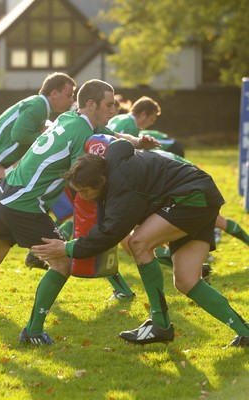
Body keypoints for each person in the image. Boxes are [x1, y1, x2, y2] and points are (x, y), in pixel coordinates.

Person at [0, 79, 159, 343]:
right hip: (23, 204)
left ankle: (33, 329)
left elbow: (113, 135)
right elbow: (81, 180)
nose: (113, 109)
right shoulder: (80, 133)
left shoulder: (71, 118)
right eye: (109, 104)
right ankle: (33, 332)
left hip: (3, 193)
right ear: (92, 104)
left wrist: (138, 142)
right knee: (62, 262)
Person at [32, 139, 249, 348]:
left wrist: (67, 247)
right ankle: (245, 333)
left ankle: (160, 323)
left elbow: (110, 232)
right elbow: (121, 144)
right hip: (198, 194)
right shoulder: (111, 160)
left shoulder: (122, 189)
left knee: (138, 242)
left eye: (85, 192)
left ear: (101, 182)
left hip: (192, 196)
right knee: (186, 281)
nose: (83, 197)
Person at [0, 72, 76, 298]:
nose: (70, 99)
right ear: (52, 93)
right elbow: (20, 133)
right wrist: (45, 133)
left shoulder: (40, 110)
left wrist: (4, 172)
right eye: (68, 94)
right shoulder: (38, 105)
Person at [107, 95, 185, 157]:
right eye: (152, 119)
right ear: (143, 114)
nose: (152, 123)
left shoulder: (118, 117)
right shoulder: (131, 126)